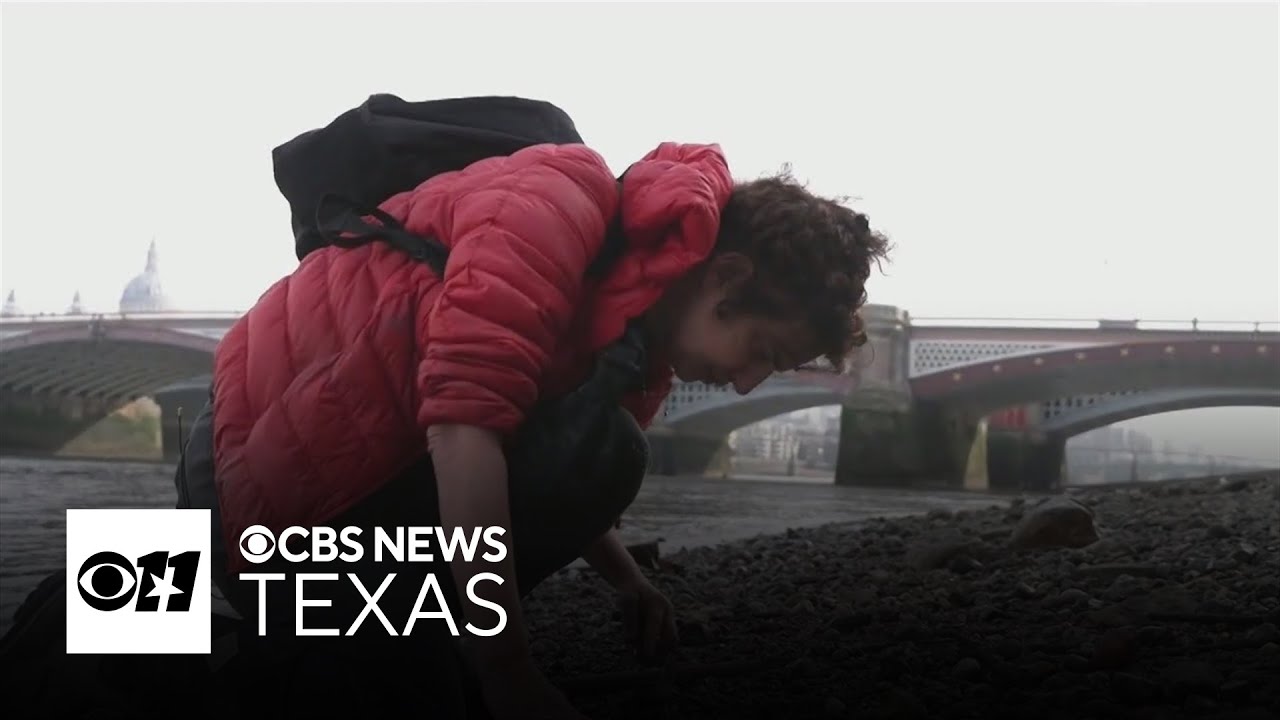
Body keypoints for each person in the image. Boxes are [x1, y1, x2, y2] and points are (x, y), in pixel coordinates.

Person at [187, 141, 891, 718]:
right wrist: (508, 671)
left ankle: (311, 639)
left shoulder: (635, 326)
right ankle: (266, 640)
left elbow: (543, 455)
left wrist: (627, 581)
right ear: (727, 279)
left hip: (320, 473)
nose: (744, 384)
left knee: (608, 456)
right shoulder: (553, 206)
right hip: (245, 471)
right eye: (762, 352)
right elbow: (466, 431)